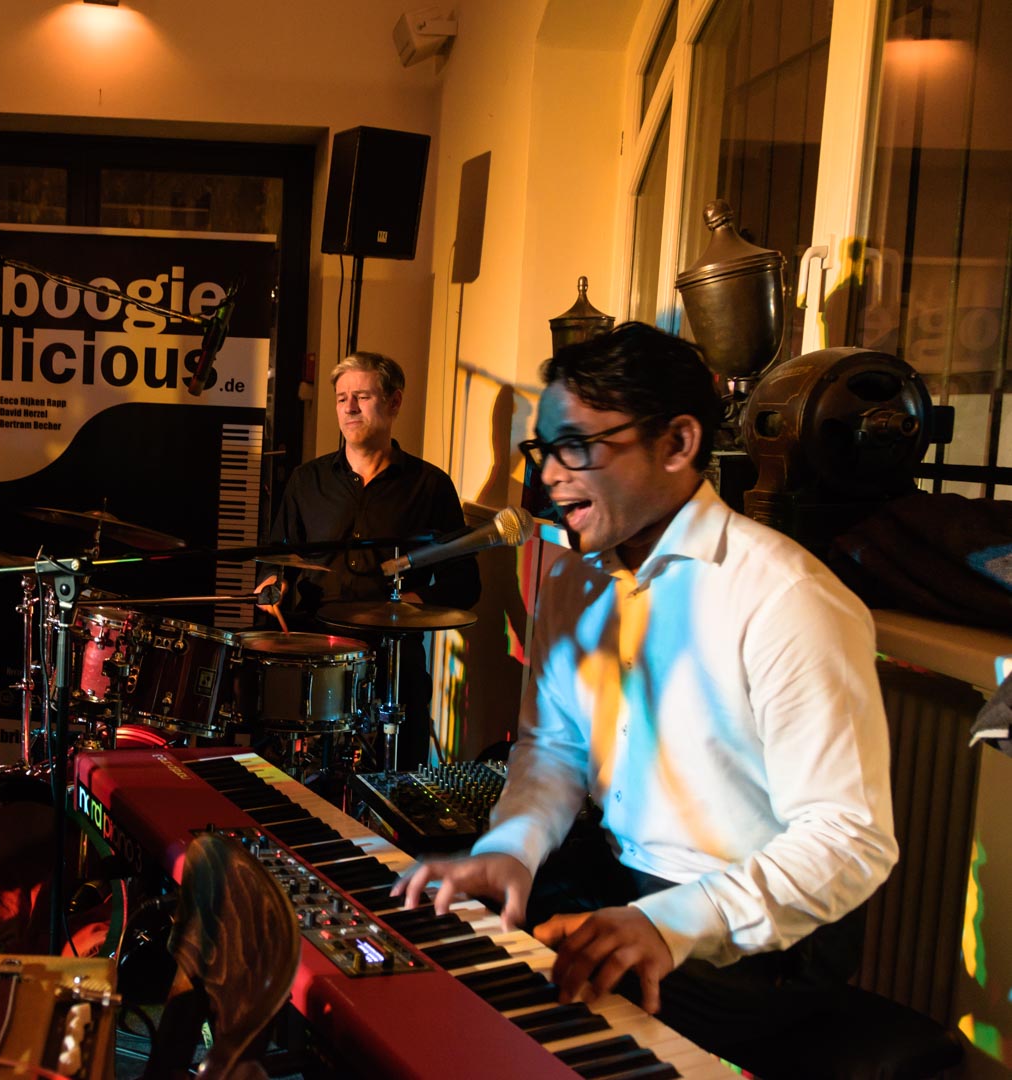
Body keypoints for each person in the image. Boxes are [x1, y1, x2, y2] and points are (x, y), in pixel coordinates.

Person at [394, 323, 899, 1076]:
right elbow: (554, 748)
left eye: (575, 447)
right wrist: (510, 851)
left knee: (517, 1041)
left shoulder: (786, 596)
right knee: (425, 963)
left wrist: (668, 923)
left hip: (755, 935)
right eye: (542, 449)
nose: (548, 478)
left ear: (677, 443)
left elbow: (850, 838)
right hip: (617, 876)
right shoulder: (571, 576)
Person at [259, 351, 479, 768]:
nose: (349, 408)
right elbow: (277, 556)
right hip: (315, 648)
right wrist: (274, 581)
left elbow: (465, 583)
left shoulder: (430, 486)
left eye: (362, 396)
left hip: (392, 655)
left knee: (400, 774)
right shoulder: (308, 481)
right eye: (342, 398)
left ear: (394, 402)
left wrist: (411, 604)